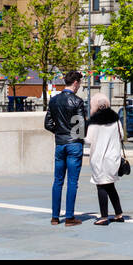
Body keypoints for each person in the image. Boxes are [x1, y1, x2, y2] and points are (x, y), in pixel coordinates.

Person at [45, 70, 88, 226]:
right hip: (74, 144)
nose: (79, 87)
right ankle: (69, 217)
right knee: (72, 181)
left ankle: (55, 217)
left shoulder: (54, 100)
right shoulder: (77, 102)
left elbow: (47, 124)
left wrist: (60, 133)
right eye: (80, 83)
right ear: (75, 82)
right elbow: (81, 128)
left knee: (57, 181)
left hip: (60, 144)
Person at [86, 94, 126, 226]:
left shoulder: (94, 122)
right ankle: (119, 214)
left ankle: (103, 217)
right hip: (113, 159)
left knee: (101, 186)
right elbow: (122, 135)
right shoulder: (116, 120)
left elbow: (88, 140)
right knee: (110, 186)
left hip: (100, 159)